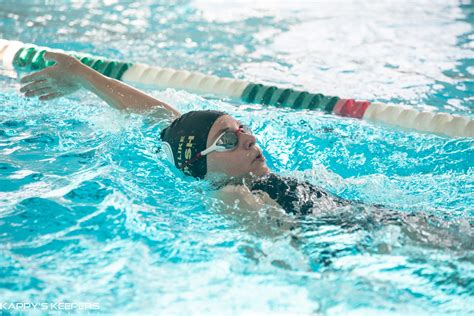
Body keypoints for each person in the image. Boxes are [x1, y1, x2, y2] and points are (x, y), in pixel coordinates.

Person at [19, 52, 472, 248]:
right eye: (230, 139)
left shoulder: (223, 171)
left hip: (381, 222)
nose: (251, 139)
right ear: (202, 163)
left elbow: (162, 117)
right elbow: (279, 250)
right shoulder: (231, 195)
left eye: (243, 129)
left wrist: (83, 74)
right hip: (377, 239)